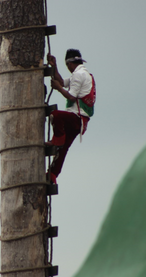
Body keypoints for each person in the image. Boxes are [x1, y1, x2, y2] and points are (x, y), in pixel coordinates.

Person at [46, 49, 96, 184]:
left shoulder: (78, 75)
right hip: (80, 123)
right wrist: (54, 67)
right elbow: (62, 82)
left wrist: (58, 88)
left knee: (54, 115)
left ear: (69, 63)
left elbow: (71, 96)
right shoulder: (85, 74)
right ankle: (53, 174)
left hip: (75, 119)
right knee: (63, 151)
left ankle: (57, 140)